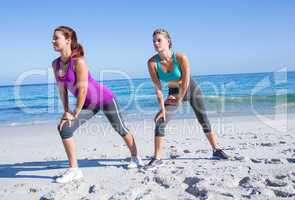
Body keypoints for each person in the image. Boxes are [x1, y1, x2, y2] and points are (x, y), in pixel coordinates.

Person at [52, 26, 143, 183]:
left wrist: (75, 113)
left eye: (56, 38)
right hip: (88, 104)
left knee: (120, 128)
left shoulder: (78, 62)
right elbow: (62, 90)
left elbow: (82, 90)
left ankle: (136, 157)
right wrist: (67, 112)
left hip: (104, 98)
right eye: (52, 38)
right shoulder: (56, 64)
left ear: (68, 40)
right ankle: (74, 170)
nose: (52, 41)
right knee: (64, 128)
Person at [145, 28, 228, 170]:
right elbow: (158, 88)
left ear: (168, 41)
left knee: (203, 120)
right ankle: (157, 158)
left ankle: (216, 150)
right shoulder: (152, 63)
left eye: (159, 40)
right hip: (173, 92)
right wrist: (163, 109)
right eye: (154, 41)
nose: (155, 43)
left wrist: (177, 99)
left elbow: (185, 82)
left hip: (191, 89)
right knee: (160, 121)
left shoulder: (181, 57)